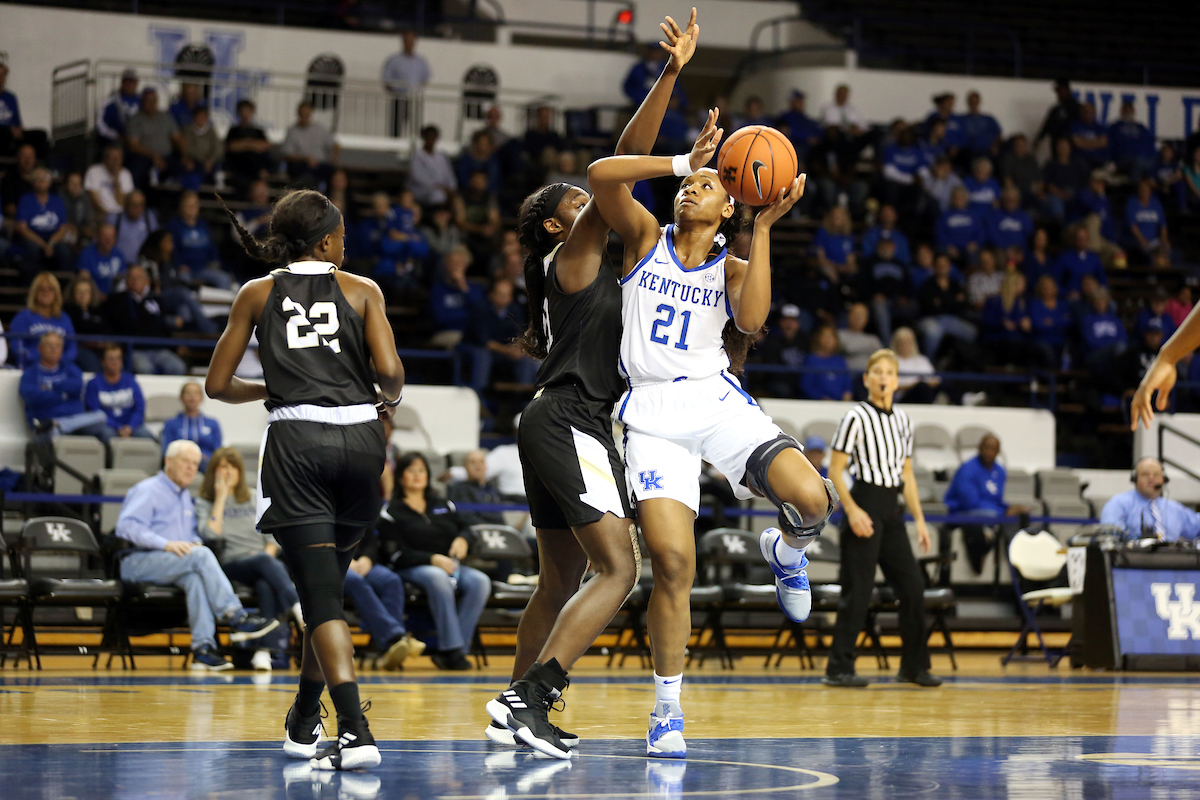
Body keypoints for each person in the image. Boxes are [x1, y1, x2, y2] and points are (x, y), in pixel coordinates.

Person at [586, 107, 837, 756]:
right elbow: (602, 176)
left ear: (731, 208)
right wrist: (680, 161)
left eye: (706, 185)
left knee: (813, 500)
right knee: (673, 564)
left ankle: (786, 553)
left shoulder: (730, 267)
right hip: (652, 418)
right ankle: (667, 709)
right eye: (686, 186)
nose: (690, 189)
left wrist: (766, 228)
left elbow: (751, 323)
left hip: (718, 404)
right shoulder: (645, 238)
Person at [484, 13, 697, 761]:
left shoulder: (587, 272)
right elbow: (624, 159)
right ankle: (528, 701)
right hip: (569, 419)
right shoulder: (572, 260)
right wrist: (668, 79)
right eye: (575, 202)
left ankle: (512, 713)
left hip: (554, 419)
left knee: (558, 580)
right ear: (553, 227)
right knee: (620, 567)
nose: (590, 205)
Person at [206, 188, 404, 770]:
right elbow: (390, 373)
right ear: (325, 241)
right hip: (362, 442)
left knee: (321, 600)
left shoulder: (256, 292)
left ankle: (356, 731)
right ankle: (302, 716)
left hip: (297, 443)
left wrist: (271, 389)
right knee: (329, 595)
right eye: (341, 235)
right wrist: (382, 400)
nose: (347, 244)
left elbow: (217, 384)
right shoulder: (363, 290)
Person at [826, 348, 938, 687]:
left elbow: (908, 474)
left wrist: (918, 519)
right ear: (867, 379)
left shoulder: (904, 421)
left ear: (896, 380)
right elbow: (834, 470)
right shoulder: (856, 417)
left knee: (913, 587)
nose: (884, 378)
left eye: (890, 372)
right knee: (858, 590)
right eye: (878, 372)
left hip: (893, 509)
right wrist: (853, 510)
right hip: (864, 500)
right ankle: (839, 668)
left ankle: (913, 666)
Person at [116, 440, 280, 671]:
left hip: (171, 564)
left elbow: (188, 534)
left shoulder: (183, 495)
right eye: (185, 462)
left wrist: (193, 541)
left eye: (195, 464)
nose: (191, 468)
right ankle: (236, 616)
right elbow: (126, 527)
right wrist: (166, 544)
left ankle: (203, 648)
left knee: (194, 578)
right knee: (201, 556)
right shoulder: (148, 489)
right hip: (138, 561)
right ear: (169, 462)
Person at [374, 452, 490, 670]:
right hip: (413, 568)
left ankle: (456, 650)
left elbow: (468, 528)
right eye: (411, 471)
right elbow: (394, 555)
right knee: (437, 577)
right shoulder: (391, 512)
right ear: (401, 477)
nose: (417, 475)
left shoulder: (444, 504)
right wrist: (431, 559)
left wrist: (462, 539)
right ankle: (452, 650)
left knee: (480, 581)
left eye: (422, 470)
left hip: (449, 565)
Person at [196, 447, 303, 672]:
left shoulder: (254, 497)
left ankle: (262, 652)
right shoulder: (204, 502)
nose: (228, 471)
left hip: (262, 563)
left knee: (266, 584)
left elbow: (273, 537)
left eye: (232, 466)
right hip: (229, 564)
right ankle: (298, 608)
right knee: (265, 563)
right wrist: (221, 497)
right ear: (214, 472)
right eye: (222, 467)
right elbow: (210, 535)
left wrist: (267, 558)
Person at [943, 434, 1026, 574]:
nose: (989, 453)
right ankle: (986, 547)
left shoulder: (1000, 471)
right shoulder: (967, 470)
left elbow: (996, 501)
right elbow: (970, 503)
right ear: (979, 448)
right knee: (992, 514)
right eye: (986, 448)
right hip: (961, 513)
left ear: (998, 452)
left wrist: (1009, 508)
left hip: (990, 513)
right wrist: (1003, 512)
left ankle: (1020, 566)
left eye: (993, 449)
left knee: (1021, 516)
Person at [344, 529, 425, 670]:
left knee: (391, 580)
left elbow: (371, 540)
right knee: (356, 581)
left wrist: (367, 558)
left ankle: (390, 650)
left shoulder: (359, 508)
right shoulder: (320, 509)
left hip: (362, 563)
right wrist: (343, 560)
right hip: (331, 564)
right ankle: (396, 638)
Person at [19, 332, 108, 439]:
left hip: (76, 422)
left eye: (57, 346)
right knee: (55, 433)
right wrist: (63, 394)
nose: (53, 349)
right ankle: (59, 426)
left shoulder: (70, 368)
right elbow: (32, 398)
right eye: (49, 345)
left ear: (61, 350)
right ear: (40, 348)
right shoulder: (30, 374)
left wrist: (49, 387)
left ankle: (61, 424)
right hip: (45, 426)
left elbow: (77, 386)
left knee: (101, 417)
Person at [102, 264, 187, 375]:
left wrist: (175, 347)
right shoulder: (117, 300)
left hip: (159, 349)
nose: (135, 281)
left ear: (147, 281)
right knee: (145, 369)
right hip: (134, 349)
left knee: (178, 367)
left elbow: (163, 325)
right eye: (131, 277)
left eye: (139, 277)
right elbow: (111, 325)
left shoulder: (156, 300)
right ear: (127, 281)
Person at [464, 277, 537, 395]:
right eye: (500, 294)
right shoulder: (480, 308)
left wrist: (517, 349)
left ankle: (523, 399)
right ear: (491, 295)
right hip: (475, 348)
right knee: (482, 355)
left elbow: (519, 335)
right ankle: (480, 397)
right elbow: (485, 342)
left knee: (526, 359)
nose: (504, 298)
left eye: (507, 295)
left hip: (503, 351)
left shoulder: (514, 310)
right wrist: (507, 350)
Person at [1099, 458, 1200, 541]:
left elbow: (1196, 526)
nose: (1151, 479)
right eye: (1145, 475)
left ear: (1164, 479)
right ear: (1135, 478)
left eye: (1156, 475)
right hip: (1133, 562)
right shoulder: (1118, 504)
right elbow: (1110, 537)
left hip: (1172, 562)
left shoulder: (1174, 508)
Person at [84, 343, 155, 444]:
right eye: (111, 358)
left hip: (131, 426)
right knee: (107, 435)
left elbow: (139, 409)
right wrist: (118, 428)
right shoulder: (94, 384)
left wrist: (130, 427)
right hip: (107, 426)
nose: (115, 362)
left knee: (147, 436)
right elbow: (95, 413)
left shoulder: (130, 380)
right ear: (103, 361)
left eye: (118, 358)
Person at [10, 272, 78, 368]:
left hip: (60, 368)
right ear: (35, 292)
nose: (46, 293)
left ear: (56, 294)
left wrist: (59, 361)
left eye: (50, 289)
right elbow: (17, 347)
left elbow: (72, 347)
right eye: (41, 289)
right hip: (31, 368)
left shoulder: (64, 318)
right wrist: (44, 360)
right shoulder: (23, 317)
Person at [14, 167, 74, 275]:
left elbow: (63, 228)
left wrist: (50, 244)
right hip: (32, 237)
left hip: (53, 238)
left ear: (50, 182)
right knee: (32, 250)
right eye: (38, 178)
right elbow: (22, 228)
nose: (42, 181)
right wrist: (43, 245)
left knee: (64, 252)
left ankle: (63, 286)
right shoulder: (26, 199)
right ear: (33, 182)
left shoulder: (57, 200)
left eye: (45, 178)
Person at [167, 191, 231, 289]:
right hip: (185, 268)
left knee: (224, 279)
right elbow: (171, 250)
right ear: (181, 207)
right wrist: (179, 265)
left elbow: (211, 246)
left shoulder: (203, 225)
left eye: (194, 205)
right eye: (188, 205)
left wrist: (214, 261)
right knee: (182, 280)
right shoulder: (174, 226)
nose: (191, 209)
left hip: (203, 268)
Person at [917, 253, 974, 358]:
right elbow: (930, 307)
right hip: (931, 319)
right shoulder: (928, 284)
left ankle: (957, 363)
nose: (942, 268)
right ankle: (928, 363)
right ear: (934, 267)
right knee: (933, 332)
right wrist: (954, 300)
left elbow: (963, 305)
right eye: (939, 265)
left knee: (972, 332)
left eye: (945, 265)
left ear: (949, 267)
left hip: (952, 319)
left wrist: (942, 302)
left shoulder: (955, 284)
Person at [427, 245, 483, 348]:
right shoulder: (438, 289)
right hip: (448, 333)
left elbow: (481, 313)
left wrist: (463, 287)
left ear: (466, 265)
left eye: (459, 264)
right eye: (451, 263)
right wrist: (468, 317)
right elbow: (440, 318)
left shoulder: (474, 288)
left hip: (472, 334)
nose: (455, 267)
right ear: (446, 266)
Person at [125, 88, 181, 188]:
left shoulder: (165, 116)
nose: (152, 104)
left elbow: (177, 137)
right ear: (142, 102)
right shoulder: (135, 119)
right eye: (149, 101)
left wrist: (185, 155)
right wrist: (154, 156)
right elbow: (133, 145)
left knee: (183, 169)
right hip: (144, 157)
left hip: (167, 157)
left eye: (154, 101)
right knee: (137, 171)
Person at [161, 382, 222, 472]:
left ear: (201, 398)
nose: (192, 397)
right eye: (188, 393)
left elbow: (218, 451)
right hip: (180, 463)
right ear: (181, 398)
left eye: (196, 393)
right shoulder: (171, 424)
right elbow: (167, 450)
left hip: (206, 462)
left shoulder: (212, 423)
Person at [382, 29, 430, 137]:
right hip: (399, 97)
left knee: (416, 126)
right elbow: (386, 79)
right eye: (407, 40)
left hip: (414, 98)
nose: (409, 43)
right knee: (396, 126)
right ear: (403, 42)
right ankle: (393, 149)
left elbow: (425, 79)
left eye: (412, 41)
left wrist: (416, 91)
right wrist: (395, 92)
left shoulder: (421, 62)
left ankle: (414, 149)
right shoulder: (394, 60)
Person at [282, 101, 339, 187]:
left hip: (320, 164)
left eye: (307, 114)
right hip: (302, 165)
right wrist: (306, 159)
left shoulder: (320, 128)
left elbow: (335, 145)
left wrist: (334, 159)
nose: (305, 116)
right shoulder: (292, 131)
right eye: (303, 114)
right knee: (307, 176)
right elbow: (288, 154)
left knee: (337, 175)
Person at [63, 274, 110, 373]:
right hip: (79, 348)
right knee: (91, 362)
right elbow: (79, 329)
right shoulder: (67, 311)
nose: (83, 295)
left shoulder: (99, 311)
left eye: (86, 292)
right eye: (79, 291)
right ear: (72, 293)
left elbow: (106, 329)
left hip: (101, 348)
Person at [224, 99, 273, 191]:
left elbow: (265, 146)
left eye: (248, 111)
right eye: (243, 111)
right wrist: (252, 144)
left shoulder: (258, 131)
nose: (245, 114)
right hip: (239, 169)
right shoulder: (233, 131)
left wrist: (244, 144)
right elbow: (232, 146)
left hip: (256, 170)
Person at [446, 449, 505, 526]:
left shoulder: (490, 488)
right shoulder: (459, 489)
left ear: (486, 466)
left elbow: (510, 498)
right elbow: (467, 518)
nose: (478, 465)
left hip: (498, 531)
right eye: (473, 462)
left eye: (481, 462)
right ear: (465, 467)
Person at [408, 125, 457, 208]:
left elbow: (449, 175)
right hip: (423, 192)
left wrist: (451, 188)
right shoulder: (417, 156)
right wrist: (439, 186)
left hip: (443, 191)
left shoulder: (441, 156)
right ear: (424, 137)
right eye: (429, 136)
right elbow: (418, 177)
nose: (431, 139)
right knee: (437, 196)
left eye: (433, 137)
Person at [801, 323, 852, 401]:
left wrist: (847, 393)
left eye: (831, 337)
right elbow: (807, 385)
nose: (828, 340)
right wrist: (820, 397)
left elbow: (847, 382)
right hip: (818, 404)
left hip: (840, 404)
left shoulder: (840, 360)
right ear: (818, 338)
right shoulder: (811, 360)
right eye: (825, 336)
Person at [1125, 178, 1170, 265]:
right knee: (1155, 256)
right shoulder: (1132, 203)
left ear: (1150, 191)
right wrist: (1143, 241)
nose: (1144, 192)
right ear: (1138, 190)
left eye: (1146, 190)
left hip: (1154, 241)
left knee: (1164, 252)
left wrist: (1164, 239)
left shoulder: (1156, 203)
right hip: (1138, 242)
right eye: (1142, 190)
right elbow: (1133, 226)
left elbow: (1163, 224)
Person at [1108, 100, 1156, 182]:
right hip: (1123, 159)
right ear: (1121, 111)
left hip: (1142, 159)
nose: (1127, 112)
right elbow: (1109, 145)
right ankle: (1134, 189)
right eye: (1125, 110)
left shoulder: (1140, 127)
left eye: (1129, 110)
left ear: (1133, 111)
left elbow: (1149, 145)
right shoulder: (1115, 127)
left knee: (1153, 164)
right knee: (1138, 162)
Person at [84, 145, 134, 223]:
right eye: (113, 158)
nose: (116, 161)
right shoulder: (94, 171)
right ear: (105, 159)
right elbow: (93, 199)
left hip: (122, 216)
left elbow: (122, 202)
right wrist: (106, 215)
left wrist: (116, 178)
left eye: (118, 158)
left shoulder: (125, 174)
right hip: (101, 213)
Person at [178, 105, 222, 190]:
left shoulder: (212, 131)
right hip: (192, 161)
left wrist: (210, 161)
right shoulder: (187, 130)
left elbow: (218, 149)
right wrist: (187, 158)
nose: (201, 119)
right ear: (194, 117)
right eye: (199, 116)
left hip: (208, 162)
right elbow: (184, 147)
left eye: (203, 116)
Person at [890, 327, 938, 403]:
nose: (905, 345)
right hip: (904, 397)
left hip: (925, 391)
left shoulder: (922, 360)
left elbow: (935, 380)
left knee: (942, 386)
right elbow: (888, 386)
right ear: (896, 343)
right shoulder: (890, 361)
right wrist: (912, 386)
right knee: (921, 387)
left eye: (908, 342)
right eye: (902, 342)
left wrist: (926, 383)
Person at [936, 186, 983, 263]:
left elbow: (980, 232)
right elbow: (940, 233)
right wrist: (949, 246)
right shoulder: (945, 215)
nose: (959, 201)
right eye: (957, 198)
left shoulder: (973, 215)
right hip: (951, 248)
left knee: (974, 254)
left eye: (962, 198)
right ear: (952, 199)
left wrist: (975, 243)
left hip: (969, 248)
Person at [77, 222, 126, 296]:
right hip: (93, 297)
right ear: (98, 237)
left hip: (114, 297)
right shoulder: (87, 254)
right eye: (105, 236)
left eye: (111, 236)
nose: (108, 240)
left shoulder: (119, 254)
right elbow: (83, 278)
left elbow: (122, 277)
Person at [96, 68, 141, 147]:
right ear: (123, 82)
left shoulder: (142, 101)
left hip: (138, 141)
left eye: (133, 82)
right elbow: (100, 123)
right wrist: (116, 136)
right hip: (116, 141)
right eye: (128, 82)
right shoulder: (111, 100)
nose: (131, 85)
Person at [114, 190, 158, 264]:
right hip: (120, 266)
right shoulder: (115, 219)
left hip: (144, 265)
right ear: (126, 205)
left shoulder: (149, 218)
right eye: (134, 204)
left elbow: (157, 242)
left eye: (141, 205)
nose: (137, 208)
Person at [1034, 78, 1081, 149]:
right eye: (1058, 92)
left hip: (1071, 146)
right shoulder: (1056, 109)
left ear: (1067, 90)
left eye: (1060, 91)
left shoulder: (1076, 108)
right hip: (1056, 145)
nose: (1058, 94)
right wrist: (1039, 139)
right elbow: (1047, 125)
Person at [839, 302, 883, 372]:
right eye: (856, 315)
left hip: (868, 378)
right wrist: (867, 347)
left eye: (861, 316)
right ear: (849, 316)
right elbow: (849, 348)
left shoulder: (873, 339)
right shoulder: (839, 335)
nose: (858, 318)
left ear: (866, 319)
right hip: (845, 377)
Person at [987, 186, 1034, 253]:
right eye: (1008, 200)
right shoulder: (994, 216)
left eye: (1014, 200)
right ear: (1003, 200)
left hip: (1020, 251)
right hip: (1001, 250)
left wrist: (1018, 250)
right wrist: (1006, 248)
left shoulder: (1024, 217)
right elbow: (992, 236)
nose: (1011, 204)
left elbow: (1028, 236)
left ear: (1018, 201)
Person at [961, 90, 1001, 160]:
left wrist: (995, 146)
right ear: (968, 102)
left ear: (979, 102)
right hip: (968, 152)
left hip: (986, 151)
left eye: (975, 101)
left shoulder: (988, 119)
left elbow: (998, 134)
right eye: (971, 101)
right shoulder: (962, 119)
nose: (973, 104)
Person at [1069, 102, 1110, 169]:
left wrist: (1084, 142)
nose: (1088, 114)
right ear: (1081, 112)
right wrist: (1096, 142)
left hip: (1098, 158)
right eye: (1086, 112)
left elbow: (1103, 143)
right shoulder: (1075, 126)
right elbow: (1077, 143)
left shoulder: (1099, 127)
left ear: (1094, 113)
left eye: (1091, 112)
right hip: (1080, 158)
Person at [0, 62, 24, 154]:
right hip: (3, 132)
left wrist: (18, 129)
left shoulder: (11, 97)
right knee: (6, 133)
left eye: (2, 75)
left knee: (40, 135)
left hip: (12, 132)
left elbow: (17, 121)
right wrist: (10, 129)